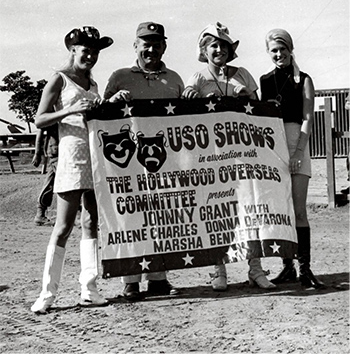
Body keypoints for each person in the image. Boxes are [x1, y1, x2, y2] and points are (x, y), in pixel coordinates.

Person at [182, 22, 276, 291]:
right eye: (213, 45)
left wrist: (245, 95)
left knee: (251, 209)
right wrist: (190, 96)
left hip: (243, 155)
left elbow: (258, 111)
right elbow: (186, 111)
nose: (219, 50)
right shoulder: (198, 78)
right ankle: (218, 270)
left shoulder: (243, 74)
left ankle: (255, 269)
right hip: (212, 157)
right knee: (216, 212)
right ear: (204, 50)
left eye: (223, 45)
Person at [31, 26, 114, 313]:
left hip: (94, 158)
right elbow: (40, 119)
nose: (90, 55)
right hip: (70, 158)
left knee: (92, 222)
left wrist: (109, 104)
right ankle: (47, 294)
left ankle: (89, 288)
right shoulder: (60, 79)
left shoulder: (92, 83)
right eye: (85, 50)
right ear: (73, 50)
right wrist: (67, 110)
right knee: (63, 226)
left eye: (95, 52)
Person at [104, 21, 184, 300]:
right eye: (145, 43)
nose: (151, 48)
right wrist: (113, 99)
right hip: (128, 165)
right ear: (135, 45)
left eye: (156, 43)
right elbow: (102, 120)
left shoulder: (174, 79)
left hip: (164, 162)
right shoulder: (120, 76)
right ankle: (131, 281)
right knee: (131, 220)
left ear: (164, 45)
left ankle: (159, 279)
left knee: (162, 218)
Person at [260, 28, 324, 289]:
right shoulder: (265, 80)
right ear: (268, 53)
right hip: (274, 146)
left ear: (290, 49)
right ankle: (286, 266)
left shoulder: (304, 79)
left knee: (298, 210)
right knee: (280, 209)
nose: (278, 54)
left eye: (282, 49)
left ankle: (305, 269)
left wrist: (298, 151)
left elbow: (308, 118)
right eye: (273, 50)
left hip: (297, 141)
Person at [32, 124, 59, 226]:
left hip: (64, 150)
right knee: (69, 182)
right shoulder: (51, 109)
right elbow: (40, 130)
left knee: (50, 182)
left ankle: (40, 214)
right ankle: (77, 214)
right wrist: (37, 153)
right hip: (57, 151)